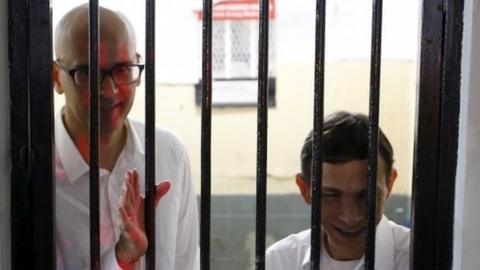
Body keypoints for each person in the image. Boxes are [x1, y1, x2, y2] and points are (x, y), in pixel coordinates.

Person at [52, 4, 199, 270]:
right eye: (87, 73)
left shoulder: (168, 153)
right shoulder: (31, 171)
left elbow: (185, 263)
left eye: (122, 69)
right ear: (56, 77)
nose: (109, 90)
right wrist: (123, 257)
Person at [265, 111, 410, 270]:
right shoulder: (278, 262)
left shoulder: (419, 259)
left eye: (365, 195)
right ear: (305, 189)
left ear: (389, 185)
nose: (350, 217)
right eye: (331, 195)